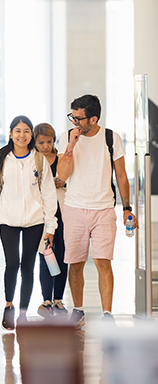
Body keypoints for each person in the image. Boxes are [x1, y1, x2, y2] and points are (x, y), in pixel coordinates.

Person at [57, 94, 139, 329]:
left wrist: (126, 208)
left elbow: (121, 176)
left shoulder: (111, 138)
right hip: (74, 208)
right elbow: (62, 176)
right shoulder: (66, 138)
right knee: (76, 263)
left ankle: (106, 313)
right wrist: (72, 145)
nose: (75, 122)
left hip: (103, 209)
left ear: (93, 119)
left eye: (79, 118)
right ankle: (78, 310)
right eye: (72, 116)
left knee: (104, 262)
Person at [0, 115, 57, 330]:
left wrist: (50, 226)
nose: (22, 135)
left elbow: (49, 195)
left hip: (35, 221)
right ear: (10, 134)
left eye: (26, 131)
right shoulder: (1, 158)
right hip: (8, 221)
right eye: (18, 130)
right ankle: (9, 305)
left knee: (28, 267)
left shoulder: (39, 159)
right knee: (12, 263)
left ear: (31, 135)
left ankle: (23, 312)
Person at [34, 123, 68, 318]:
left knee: (63, 256)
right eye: (41, 143)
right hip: (42, 215)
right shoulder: (34, 160)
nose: (45, 146)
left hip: (63, 212)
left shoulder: (61, 158)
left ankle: (58, 300)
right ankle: (46, 300)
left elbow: (74, 178)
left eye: (49, 142)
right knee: (46, 254)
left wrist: (63, 182)